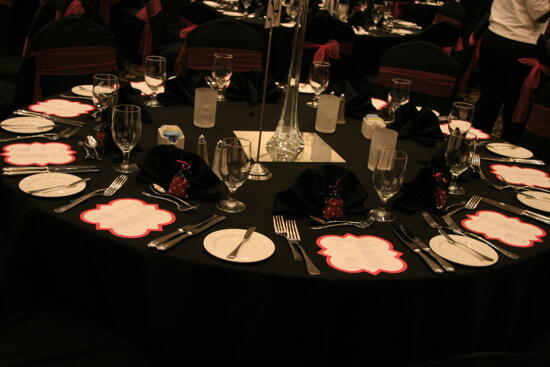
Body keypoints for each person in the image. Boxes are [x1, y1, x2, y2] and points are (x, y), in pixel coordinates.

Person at [473, 0, 549, 143]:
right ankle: (505, 156)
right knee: (515, 111)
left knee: (488, 103)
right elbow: (539, 12)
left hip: (495, 34)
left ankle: (471, 149)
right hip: (519, 42)